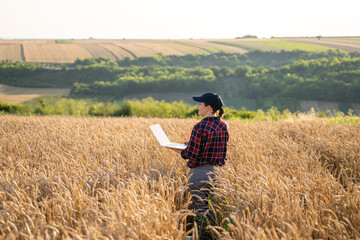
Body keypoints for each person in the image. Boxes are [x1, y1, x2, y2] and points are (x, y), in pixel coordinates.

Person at [171, 92, 229, 239]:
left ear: (208, 107)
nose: (198, 106)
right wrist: (191, 144)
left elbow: (191, 154)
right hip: (218, 173)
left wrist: (172, 147)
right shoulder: (223, 125)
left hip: (199, 174)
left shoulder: (199, 126)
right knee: (213, 209)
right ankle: (213, 235)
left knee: (200, 209)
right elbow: (212, 146)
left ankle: (202, 237)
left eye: (200, 104)